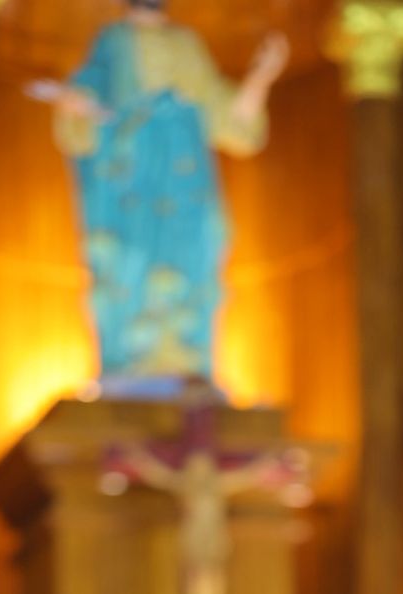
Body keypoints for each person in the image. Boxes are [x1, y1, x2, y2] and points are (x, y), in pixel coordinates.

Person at [54, 0, 288, 387]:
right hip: (131, 182)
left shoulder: (186, 44)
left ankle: (188, 358)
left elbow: (229, 119)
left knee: (195, 256)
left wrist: (261, 77)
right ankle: (131, 360)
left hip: (185, 179)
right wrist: (78, 106)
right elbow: (83, 108)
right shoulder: (113, 42)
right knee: (131, 260)